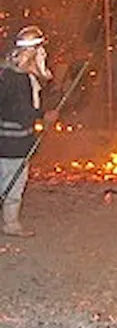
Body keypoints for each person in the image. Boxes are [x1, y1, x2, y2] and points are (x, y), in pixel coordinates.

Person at [0, 27, 57, 236]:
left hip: (7, 142)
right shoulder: (18, 79)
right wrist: (43, 115)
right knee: (12, 186)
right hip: (11, 143)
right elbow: (20, 112)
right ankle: (10, 224)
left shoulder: (7, 73)